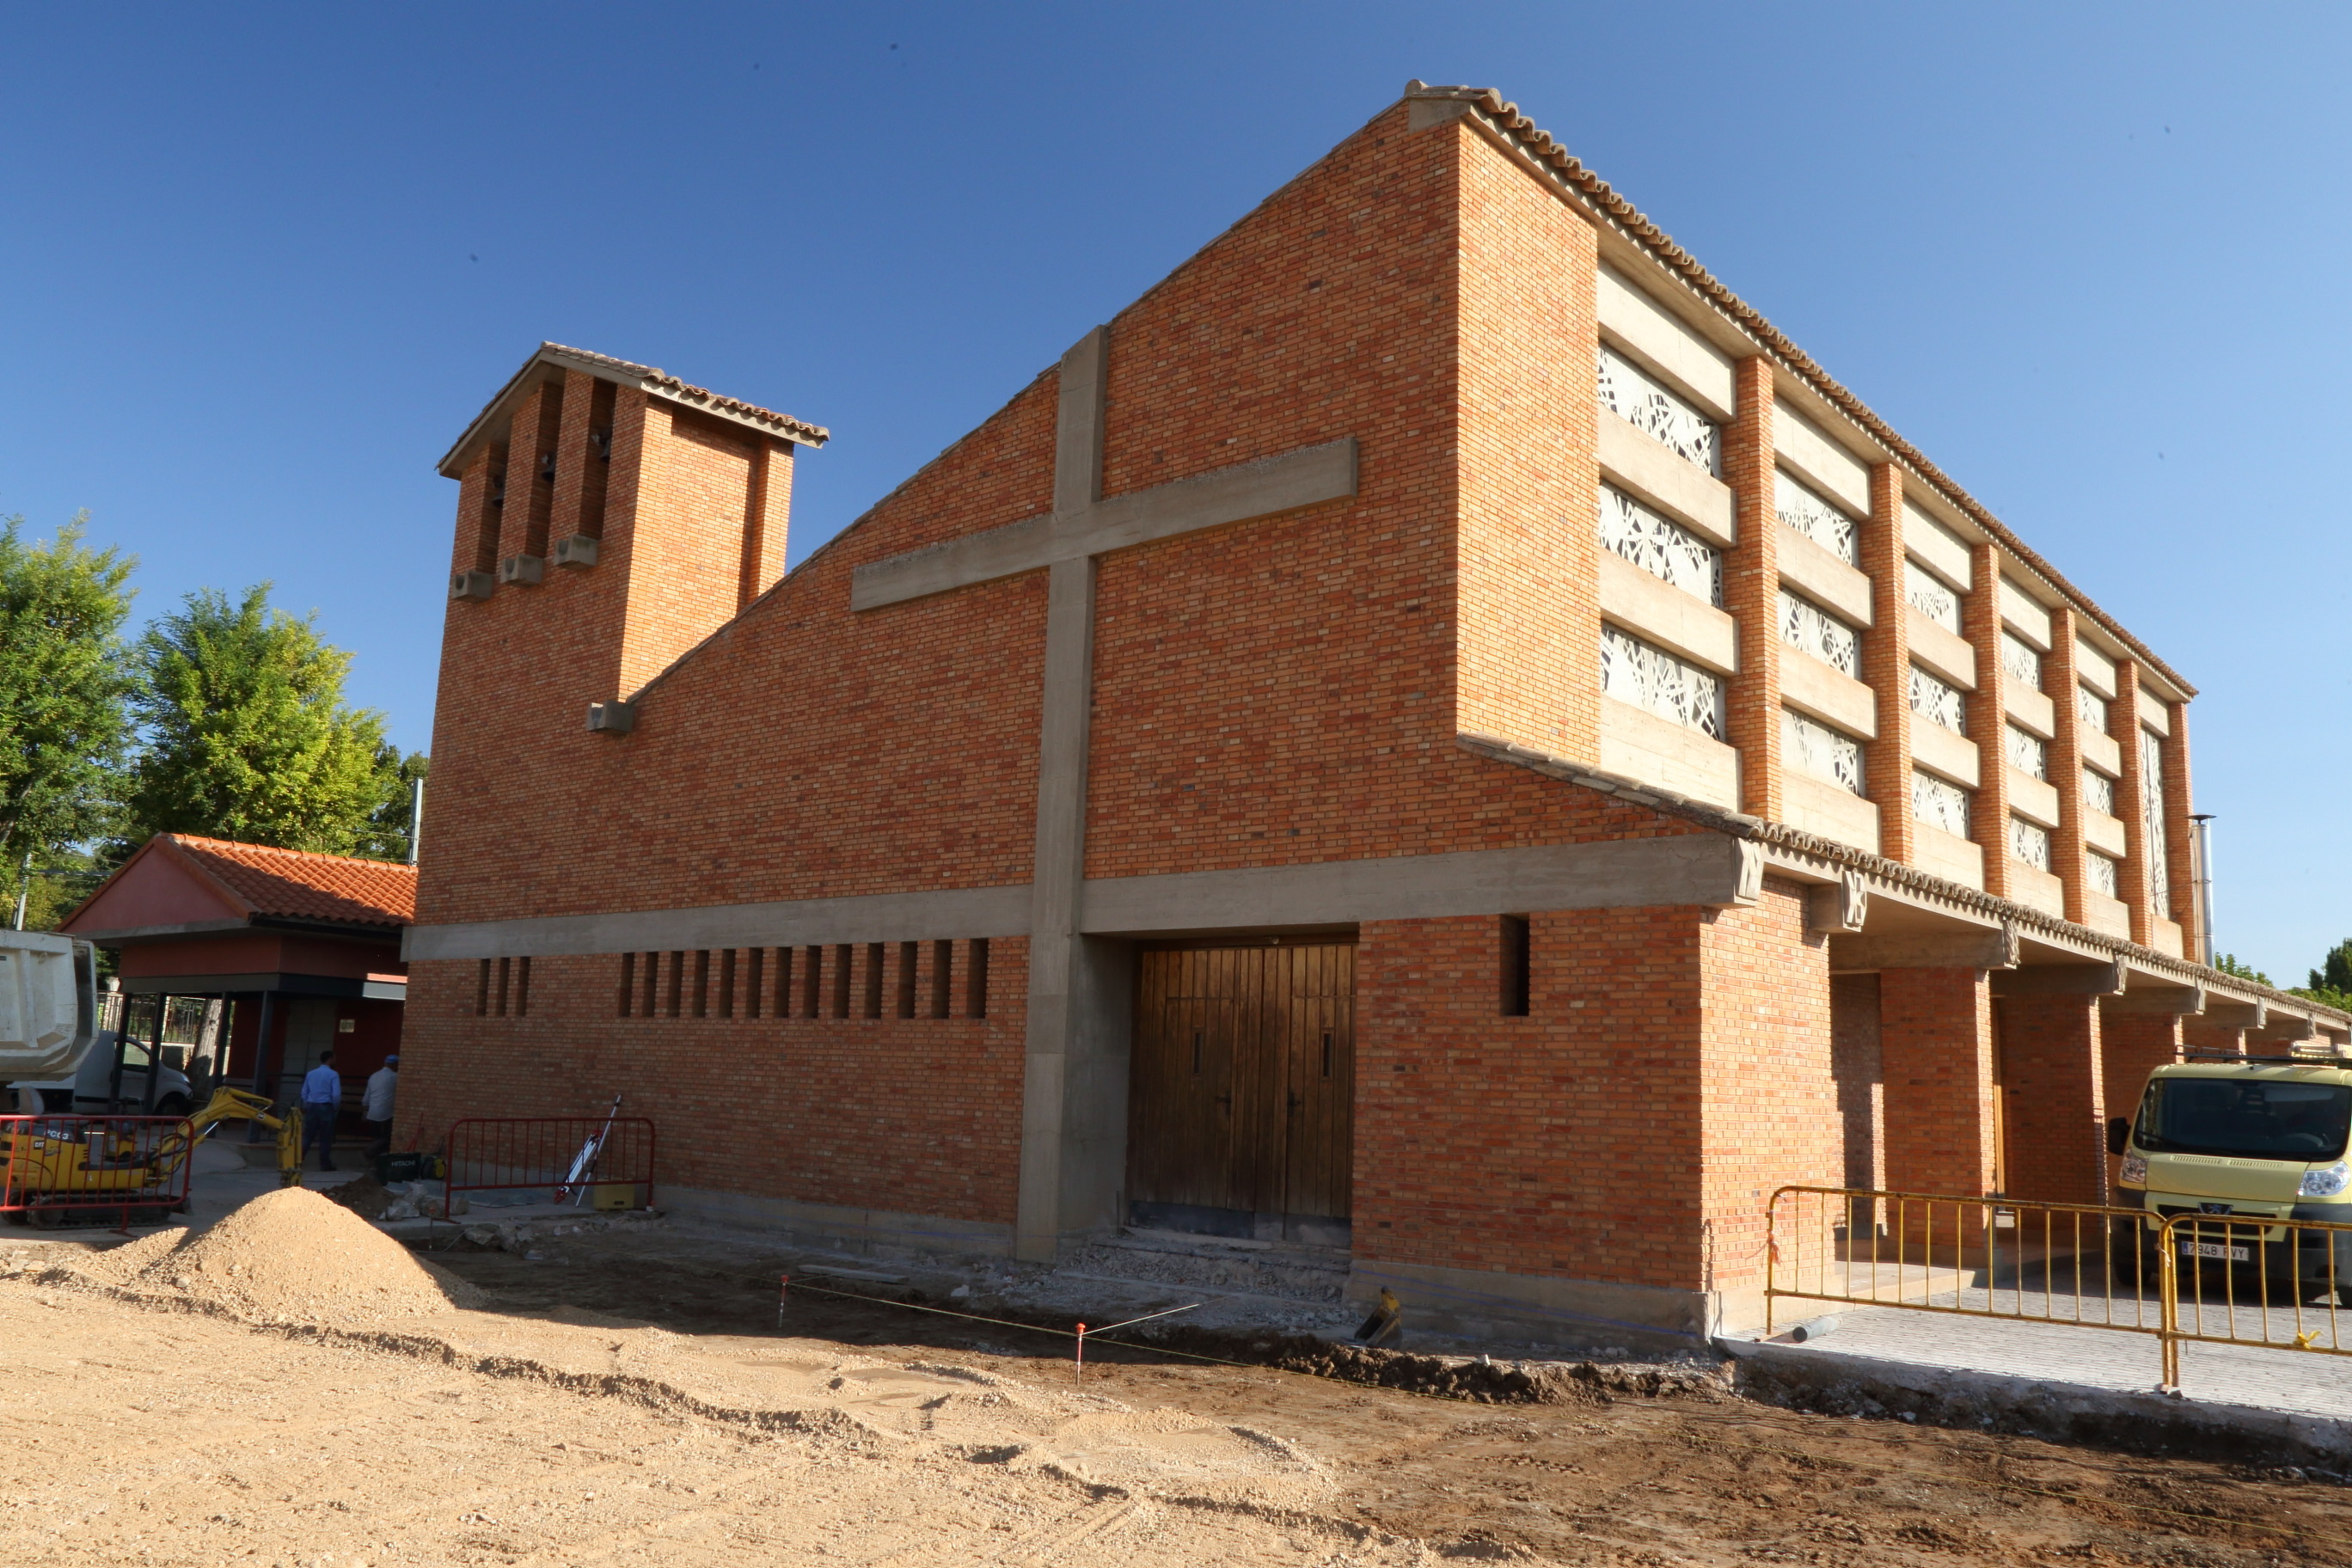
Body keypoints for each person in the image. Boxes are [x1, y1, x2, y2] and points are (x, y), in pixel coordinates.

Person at [299, 1049, 343, 1173]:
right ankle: (324, 1164)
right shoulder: (333, 1074)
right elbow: (336, 1095)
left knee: (308, 1136)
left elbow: (304, 1092)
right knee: (325, 1138)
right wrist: (334, 1107)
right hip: (326, 1106)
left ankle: (298, 1161)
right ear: (330, 1059)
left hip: (312, 1105)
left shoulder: (311, 1073)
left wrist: (306, 1103)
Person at [362, 1054, 398, 1163]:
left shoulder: (374, 1076)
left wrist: (365, 1111)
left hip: (372, 1113)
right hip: (386, 1113)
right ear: (394, 1065)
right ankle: (370, 1151)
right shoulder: (395, 1077)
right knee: (387, 1138)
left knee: (377, 1138)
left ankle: (375, 1163)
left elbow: (366, 1097)